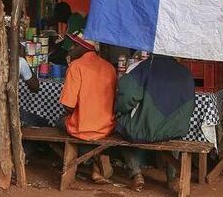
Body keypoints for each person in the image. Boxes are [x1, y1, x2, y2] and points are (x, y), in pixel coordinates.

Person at [115, 54, 195, 191]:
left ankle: (136, 173)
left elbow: (127, 97)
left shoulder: (145, 68)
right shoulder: (186, 72)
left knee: (119, 127)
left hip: (146, 132)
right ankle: (171, 177)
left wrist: (119, 111)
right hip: (176, 130)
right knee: (172, 134)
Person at [58, 31, 117, 183]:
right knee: (91, 131)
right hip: (106, 128)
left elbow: (68, 106)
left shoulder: (75, 67)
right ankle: (98, 162)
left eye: (75, 45)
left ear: (84, 47)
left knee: (59, 121)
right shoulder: (110, 68)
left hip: (81, 129)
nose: (71, 48)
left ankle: (92, 160)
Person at [0, 45, 41, 179]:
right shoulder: (19, 62)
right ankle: (15, 158)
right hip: (8, 118)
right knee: (40, 123)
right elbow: (35, 87)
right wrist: (24, 61)